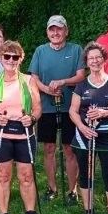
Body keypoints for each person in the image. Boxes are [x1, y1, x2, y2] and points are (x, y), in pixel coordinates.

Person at [0, 40, 43, 214]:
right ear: (1, 58)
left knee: (26, 175)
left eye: (15, 57)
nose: (10, 60)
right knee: (3, 175)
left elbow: (37, 107)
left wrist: (31, 118)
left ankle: (30, 213)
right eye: (7, 56)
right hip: (0, 134)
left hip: (24, 133)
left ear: (21, 59)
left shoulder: (29, 80)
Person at [68, 42, 108, 214]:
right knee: (86, 175)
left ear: (104, 59)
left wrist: (104, 113)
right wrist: (82, 127)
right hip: (85, 137)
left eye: (98, 57)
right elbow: (73, 111)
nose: (95, 61)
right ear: (86, 62)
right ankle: (89, 212)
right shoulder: (81, 85)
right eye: (91, 58)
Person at [30, 15, 85, 203]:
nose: (55, 33)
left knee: (69, 148)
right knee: (49, 148)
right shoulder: (40, 51)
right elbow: (33, 78)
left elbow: (80, 76)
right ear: (47, 32)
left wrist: (63, 82)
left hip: (71, 107)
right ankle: (52, 188)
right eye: (52, 29)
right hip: (46, 107)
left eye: (59, 29)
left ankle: (72, 190)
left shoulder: (76, 49)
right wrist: (46, 89)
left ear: (66, 31)